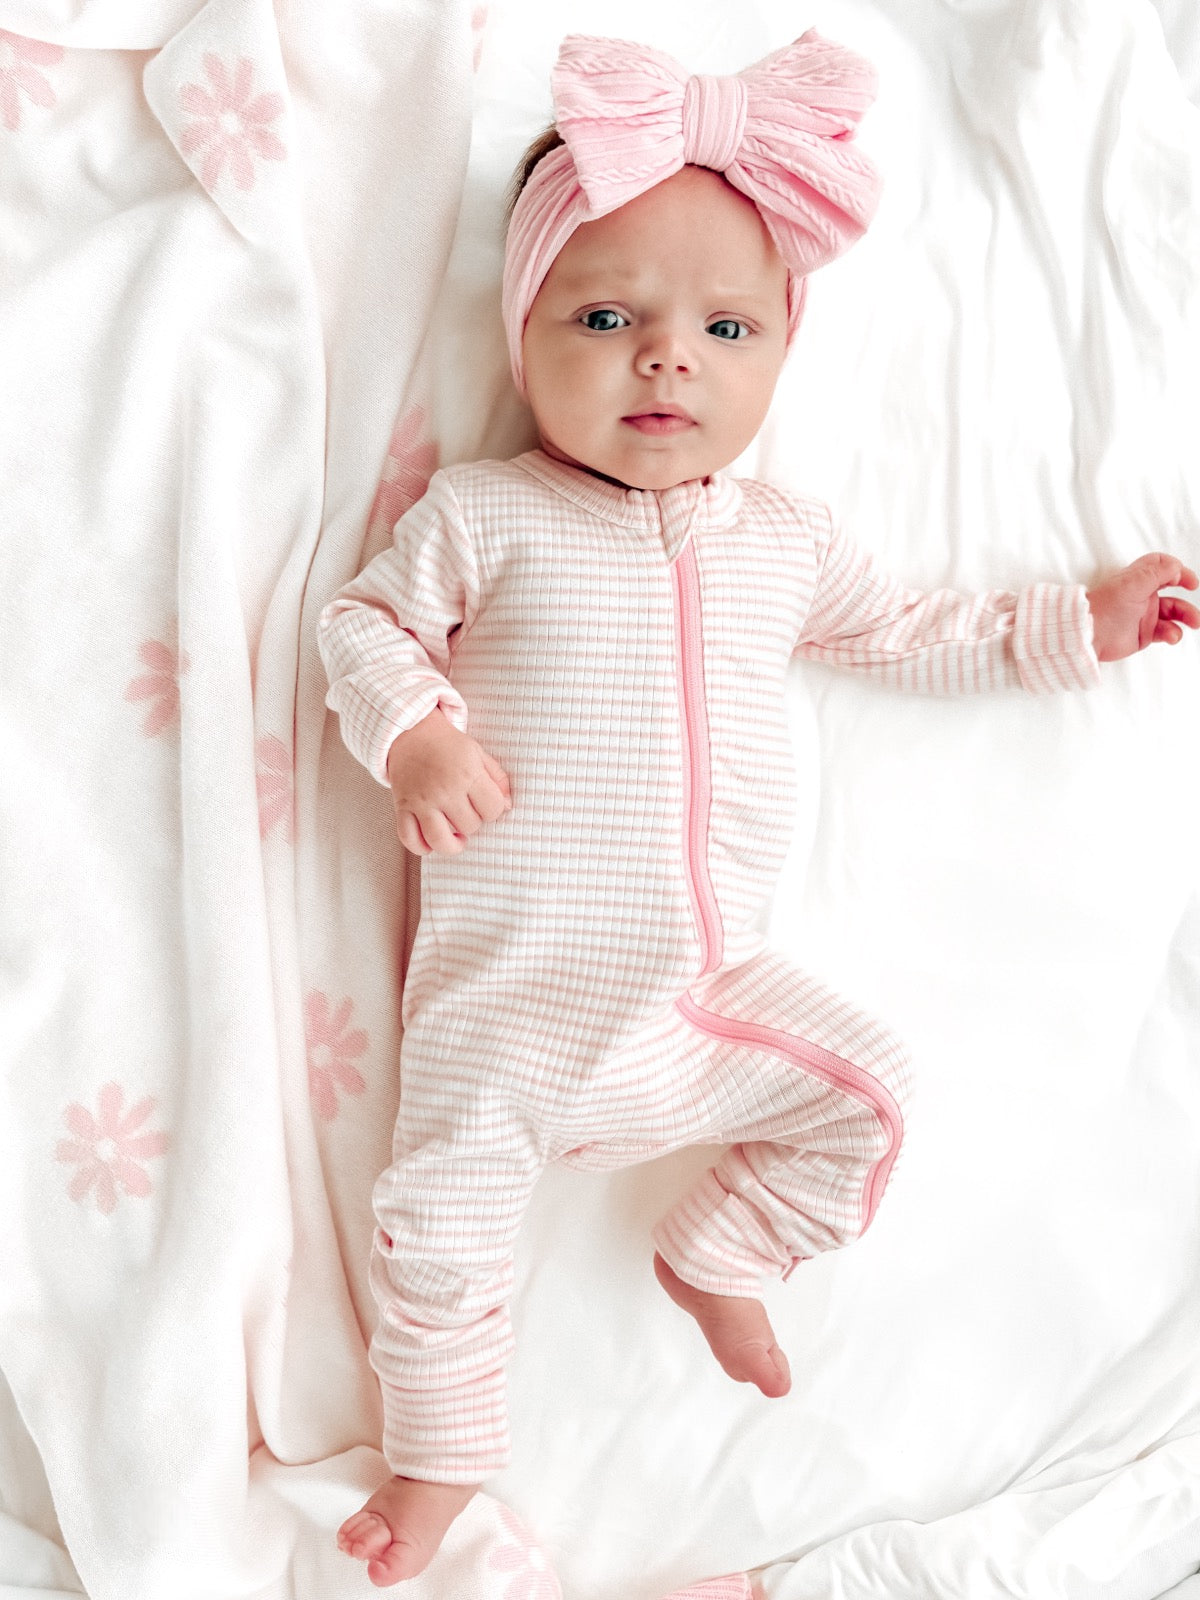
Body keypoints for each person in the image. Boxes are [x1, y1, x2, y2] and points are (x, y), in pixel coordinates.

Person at [318, 31, 1199, 1587]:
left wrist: (1086, 622)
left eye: (726, 326)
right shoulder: (487, 515)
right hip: (501, 1021)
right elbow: (362, 630)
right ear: (520, 337)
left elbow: (922, 632)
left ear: (782, 352)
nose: (669, 359)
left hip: (696, 1014)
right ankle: (439, 1466)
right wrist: (419, 741)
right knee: (437, 1236)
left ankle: (717, 1248)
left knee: (874, 1093)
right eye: (606, 317)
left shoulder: (783, 541)